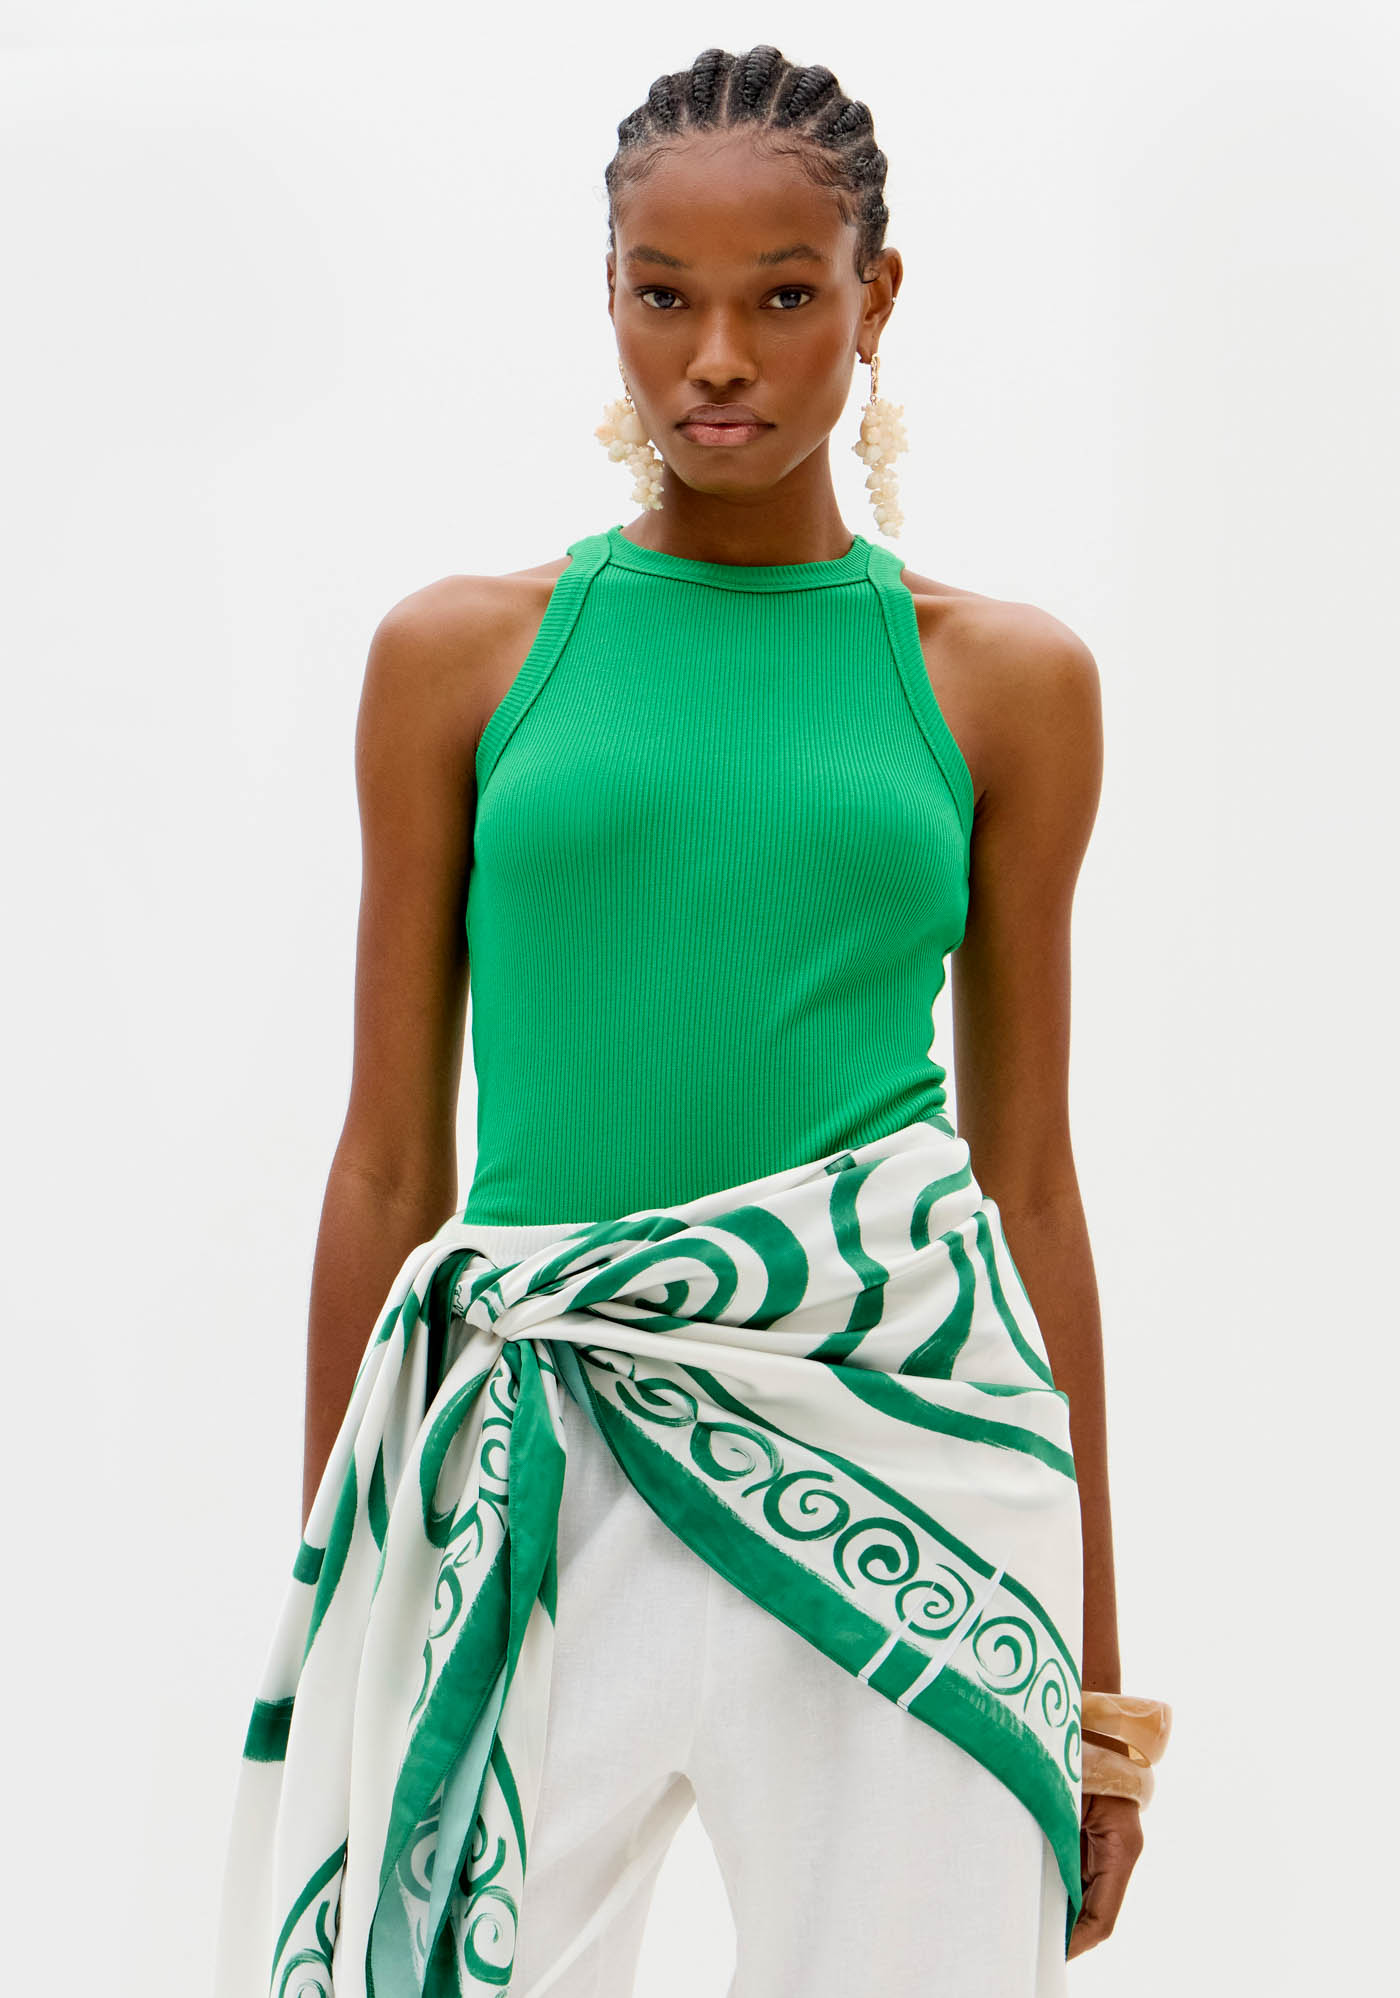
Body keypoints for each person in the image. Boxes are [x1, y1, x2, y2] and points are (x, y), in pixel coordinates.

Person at [215, 43, 1170, 1998]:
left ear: (874, 299)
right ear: (609, 296)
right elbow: (388, 1159)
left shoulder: (1003, 684)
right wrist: (348, 1576)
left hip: (904, 1465)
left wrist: (1094, 1687)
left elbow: (1031, 1184)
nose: (716, 356)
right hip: (534, 1458)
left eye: (782, 295)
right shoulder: (461, 660)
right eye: (665, 295)